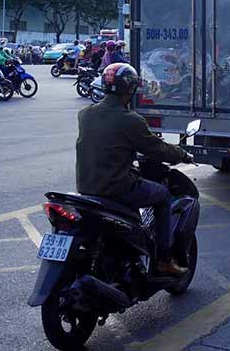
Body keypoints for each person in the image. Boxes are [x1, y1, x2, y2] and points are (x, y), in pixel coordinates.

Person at [76, 62, 193, 276]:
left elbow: (109, 143)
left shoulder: (85, 114)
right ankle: (164, 260)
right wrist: (183, 155)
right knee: (162, 196)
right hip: (116, 188)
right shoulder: (130, 120)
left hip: (86, 187)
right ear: (130, 89)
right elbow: (157, 148)